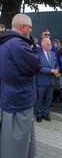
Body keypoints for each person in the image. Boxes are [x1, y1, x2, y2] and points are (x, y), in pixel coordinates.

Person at [0, 13, 42, 158]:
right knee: (18, 136)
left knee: (7, 133)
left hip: (7, 93)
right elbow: (36, 66)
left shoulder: (4, 41)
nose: (31, 31)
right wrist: (35, 48)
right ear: (23, 27)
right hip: (19, 97)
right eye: (30, 28)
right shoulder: (18, 44)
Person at [36, 38, 60, 122]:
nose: (50, 46)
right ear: (43, 46)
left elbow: (57, 64)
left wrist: (57, 69)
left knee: (48, 99)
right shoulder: (39, 55)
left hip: (51, 81)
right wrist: (50, 71)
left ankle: (45, 113)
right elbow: (38, 68)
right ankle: (39, 114)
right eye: (48, 44)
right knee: (39, 99)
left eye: (50, 44)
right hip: (42, 81)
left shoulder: (53, 54)